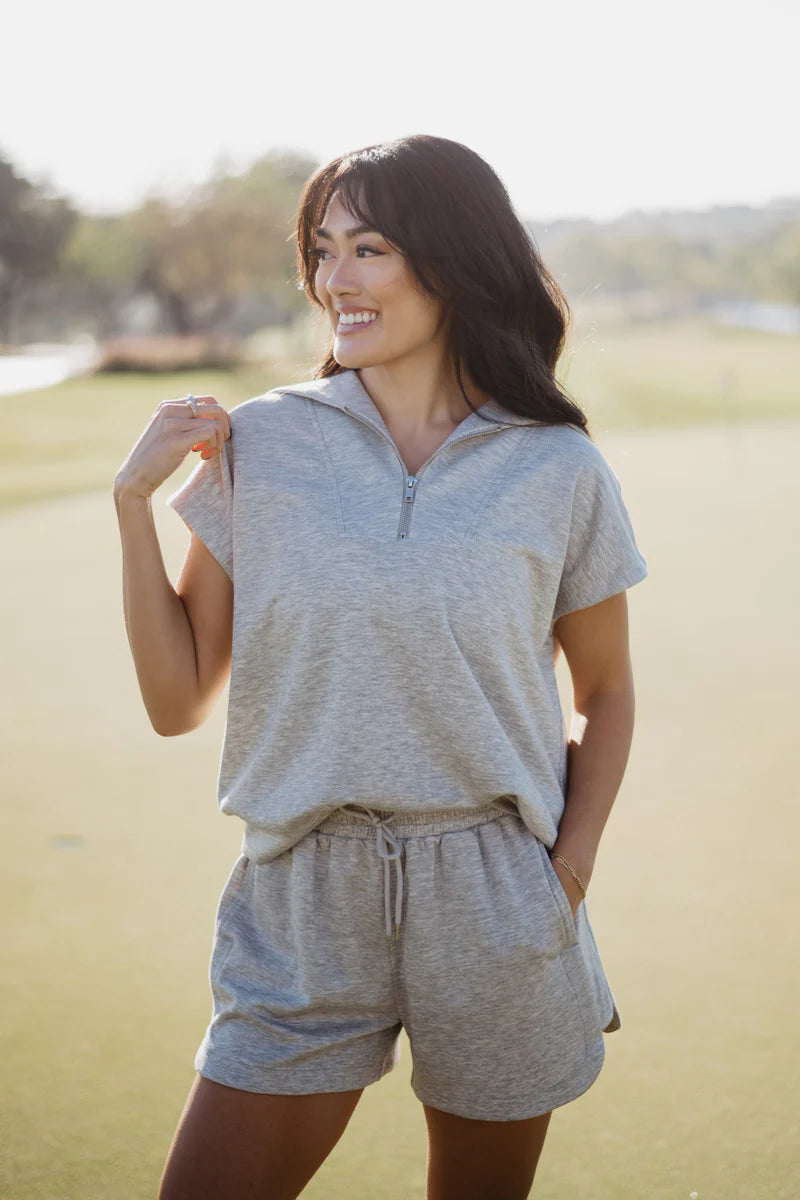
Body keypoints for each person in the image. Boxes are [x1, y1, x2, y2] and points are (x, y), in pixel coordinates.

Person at [113, 134, 648, 1200]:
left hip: (493, 898)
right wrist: (131, 507)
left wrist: (565, 874)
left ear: (448, 263)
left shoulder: (556, 467)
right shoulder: (263, 443)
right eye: (322, 250)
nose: (333, 281)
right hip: (302, 892)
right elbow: (176, 703)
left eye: (367, 249)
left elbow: (605, 694)